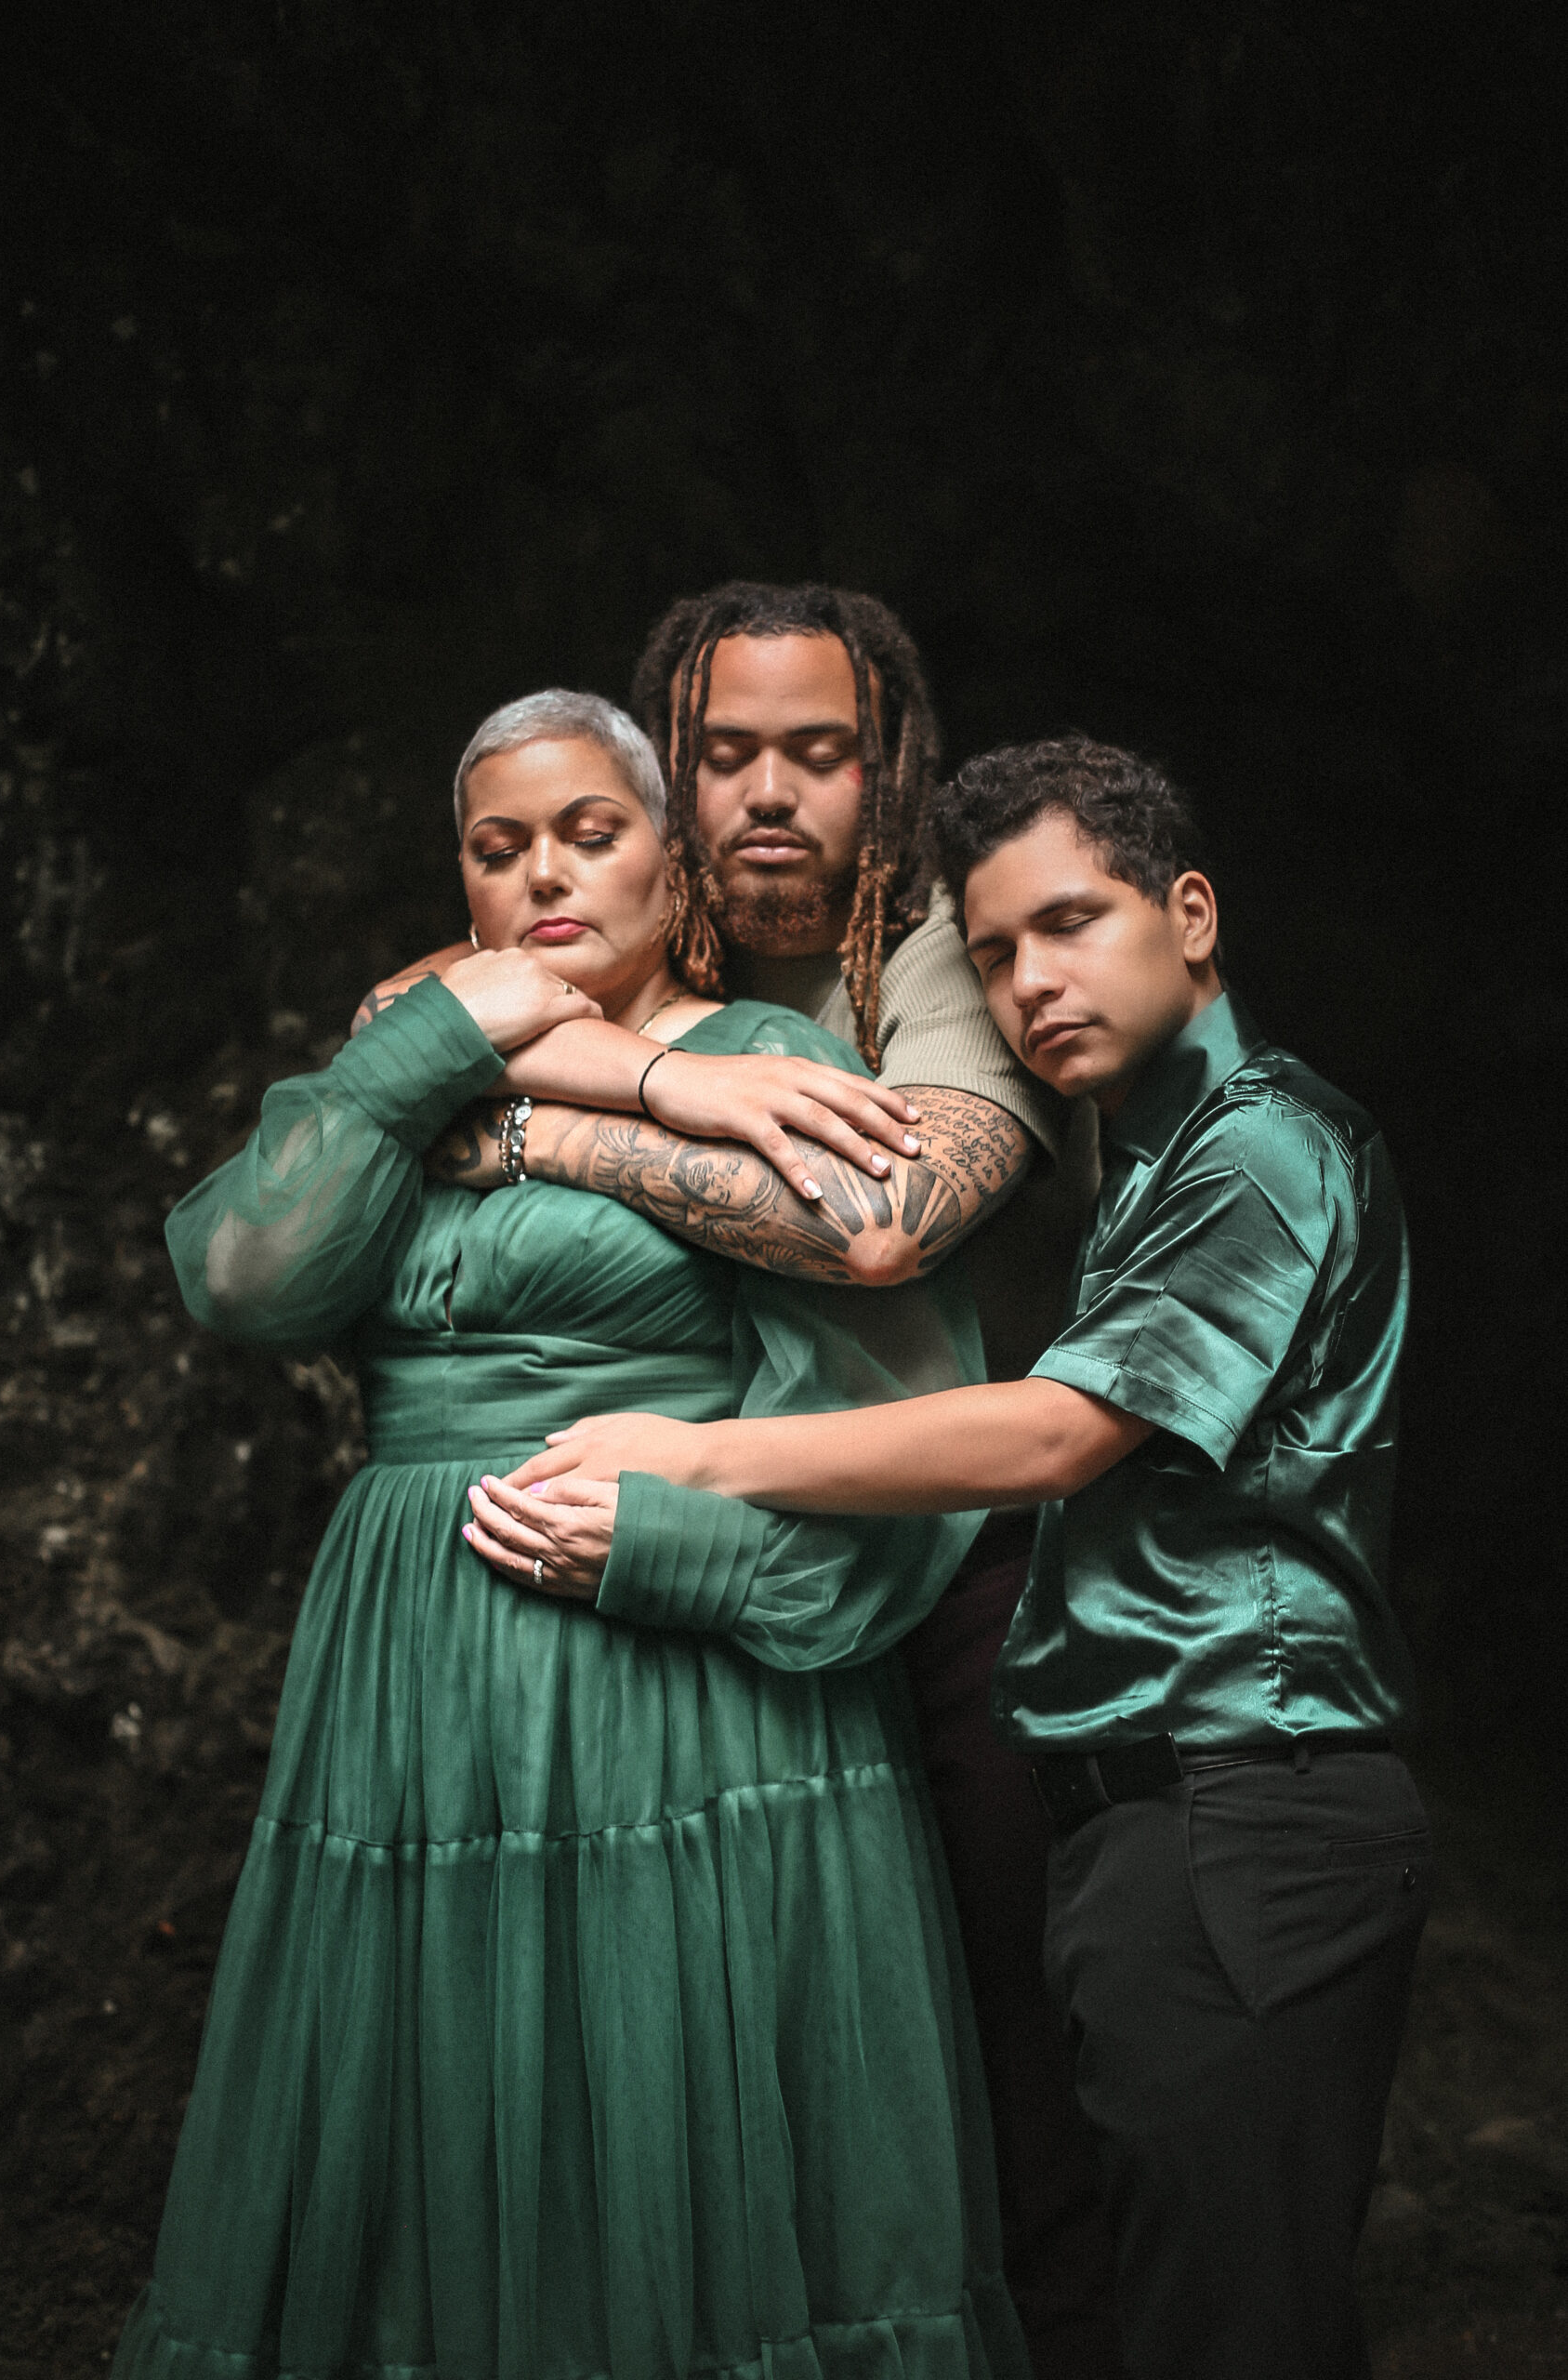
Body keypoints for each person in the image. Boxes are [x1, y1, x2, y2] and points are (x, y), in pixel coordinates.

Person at [486, 734, 1431, 2380]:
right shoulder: (1144, 1163)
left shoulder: (1269, 1141)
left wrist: (700, 1454)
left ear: (1192, 915)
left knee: (1235, 2330)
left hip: (1244, 1797)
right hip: (1160, 1817)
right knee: (1181, 2301)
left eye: (1070, 924)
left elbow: (1056, 1435)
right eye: (992, 955)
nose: (1029, 984)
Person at [111, 692, 1028, 2380]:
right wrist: (429, 1049)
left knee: (680, 2121)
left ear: (673, 869)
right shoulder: (398, 1071)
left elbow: (893, 1444)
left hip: (687, 1692)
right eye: (498, 846)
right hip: (412, 1676)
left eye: (590, 836)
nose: (544, 871)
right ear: (459, 886)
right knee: (432, 2115)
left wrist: (671, 1550)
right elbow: (246, 1280)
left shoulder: (786, 1071)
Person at [368, 585, 1118, 2378]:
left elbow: (883, 1223)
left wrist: (544, 1116)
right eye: (725, 755)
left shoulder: (941, 951)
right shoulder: (591, 912)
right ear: (660, 778)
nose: (772, 793)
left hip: (960, 1566)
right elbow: (395, 1029)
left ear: (891, 772)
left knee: (1004, 2046)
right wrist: (654, 1083)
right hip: (696, 1558)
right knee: (725, 2043)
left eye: (821, 752)